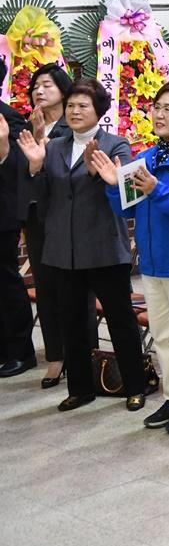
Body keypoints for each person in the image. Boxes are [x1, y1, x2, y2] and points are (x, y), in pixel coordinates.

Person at [92, 83, 169, 433]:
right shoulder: (146, 158)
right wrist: (112, 184)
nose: (159, 114)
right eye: (156, 106)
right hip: (152, 262)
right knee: (162, 336)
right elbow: (124, 210)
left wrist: (156, 189)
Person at [17, 79, 146, 411]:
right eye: (71, 105)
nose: (75, 111)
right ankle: (80, 388)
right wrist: (34, 168)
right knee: (71, 321)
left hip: (104, 247)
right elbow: (41, 198)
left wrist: (96, 175)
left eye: (82, 106)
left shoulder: (116, 144)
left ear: (99, 112)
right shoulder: (56, 145)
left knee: (121, 320)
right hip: (63, 250)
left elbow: (127, 197)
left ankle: (135, 385)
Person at [18, 64, 72, 387]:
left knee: (73, 289)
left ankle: (83, 354)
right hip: (38, 216)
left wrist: (44, 142)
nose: (39, 90)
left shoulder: (73, 123)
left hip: (66, 216)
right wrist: (36, 137)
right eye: (36, 85)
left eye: (47, 85)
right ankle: (55, 356)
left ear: (64, 91)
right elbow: (26, 171)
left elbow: (65, 167)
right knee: (47, 287)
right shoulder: (31, 125)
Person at [0, 64, 34, 379]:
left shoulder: (8, 118)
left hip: (3, 214)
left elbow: (14, 171)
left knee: (7, 282)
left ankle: (21, 351)